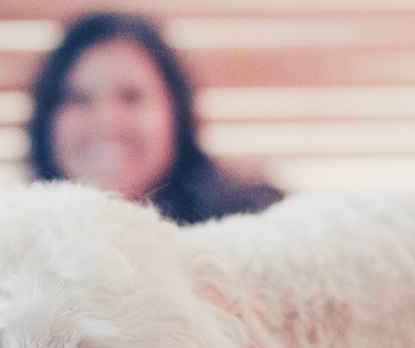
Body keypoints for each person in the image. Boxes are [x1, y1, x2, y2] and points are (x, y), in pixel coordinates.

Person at [28, 11, 284, 225]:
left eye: (131, 97)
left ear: (176, 110)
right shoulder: (17, 250)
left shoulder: (258, 223)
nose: (107, 121)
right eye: (79, 98)